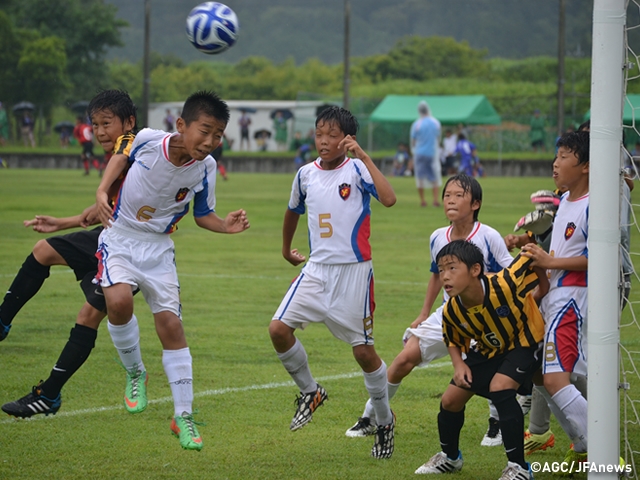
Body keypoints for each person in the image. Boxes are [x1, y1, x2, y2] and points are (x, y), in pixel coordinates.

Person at [94, 90, 250, 451]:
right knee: (118, 303)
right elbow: (120, 157)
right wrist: (102, 191)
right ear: (181, 125)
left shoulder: (206, 168)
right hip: (120, 237)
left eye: (218, 135)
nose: (210, 142)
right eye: (205, 131)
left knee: (172, 327)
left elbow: (202, 215)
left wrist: (225, 226)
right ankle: (136, 372)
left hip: (159, 249)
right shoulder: (148, 140)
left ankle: (183, 416)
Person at [345, 174, 519, 449]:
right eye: (447, 194)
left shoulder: (489, 236)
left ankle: (495, 422)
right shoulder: (438, 237)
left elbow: (511, 272)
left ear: (475, 204)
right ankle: (373, 416)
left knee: (486, 366)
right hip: (449, 315)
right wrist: (424, 312)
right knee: (405, 358)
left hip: (486, 319)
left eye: (458, 195)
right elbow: (436, 276)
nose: (450, 200)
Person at [1, 89, 139, 419]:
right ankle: (2, 320)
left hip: (135, 252)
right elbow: (102, 209)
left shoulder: (137, 148)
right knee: (43, 250)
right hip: (109, 238)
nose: (100, 131)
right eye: (96, 124)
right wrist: (60, 223)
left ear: (129, 123)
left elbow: (107, 198)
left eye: (107, 123)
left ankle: (48, 395)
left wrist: (100, 193)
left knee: (87, 316)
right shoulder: (123, 153)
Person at [268, 106, 397, 459]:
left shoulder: (356, 169)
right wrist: (284, 250)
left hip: (355, 272)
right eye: (319, 134)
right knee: (278, 329)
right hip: (317, 270)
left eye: (332, 135)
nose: (324, 141)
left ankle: (384, 422)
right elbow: (292, 210)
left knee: (363, 352)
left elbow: (388, 198)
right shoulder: (305, 174)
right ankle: (311, 391)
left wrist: (365, 156)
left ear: (347, 139)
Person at [414, 240, 547, 479]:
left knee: (500, 388)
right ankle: (450, 458)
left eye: (452, 268)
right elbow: (451, 336)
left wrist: (542, 288)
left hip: (526, 342)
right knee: (450, 400)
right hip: (490, 349)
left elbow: (530, 254)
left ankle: (519, 468)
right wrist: (458, 364)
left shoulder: (504, 283)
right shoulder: (452, 308)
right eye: (441, 269)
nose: (445, 276)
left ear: (475, 270)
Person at [521, 130, 590, 473]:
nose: (555, 163)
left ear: (587, 166)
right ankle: (583, 446)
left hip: (574, 300)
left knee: (555, 379)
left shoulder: (594, 205)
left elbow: (599, 259)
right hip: (556, 296)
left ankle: (599, 448)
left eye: (564, 156)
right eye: (556, 155)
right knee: (543, 374)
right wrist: (538, 257)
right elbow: (560, 253)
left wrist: (549, 262)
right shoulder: (563, 202)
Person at [411, 101, 442, 207]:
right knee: (434, 177)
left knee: (419, 177)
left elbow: (413, 141)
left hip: (419, 153)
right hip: (431, 153)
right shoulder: (435, 123)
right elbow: (438, 138)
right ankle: (435, 200)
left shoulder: (417, 124)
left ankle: (423, 200)